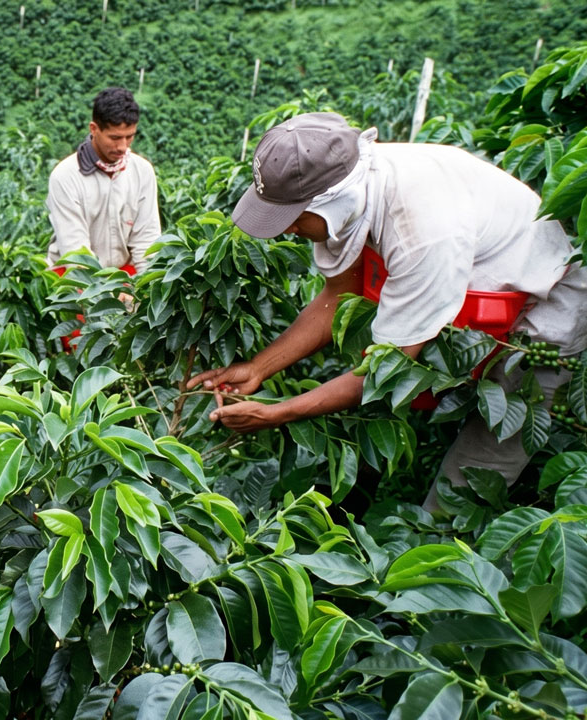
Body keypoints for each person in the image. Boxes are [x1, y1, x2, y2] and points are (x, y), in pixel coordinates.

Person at [189, 111, 587, 506]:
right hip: (472, 303)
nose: (288, 230)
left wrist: (280, 413)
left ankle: (436, 552)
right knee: (414, 409)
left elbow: (386, 371)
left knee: (479, 462)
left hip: (542, 314)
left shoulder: (422, 230)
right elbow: (336, 299)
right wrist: (258, 368)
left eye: (292, 219)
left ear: (331, 202)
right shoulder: (348, 189)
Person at [46, 87, 163, 271]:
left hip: (123, 273)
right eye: (115, 138)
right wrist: (107, 293)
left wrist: (145, 289)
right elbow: (76, 254)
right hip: (74, 274)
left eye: (129, 136)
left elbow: (147, 241)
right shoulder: (65, 176)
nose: (123, 146)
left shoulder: (142, 171)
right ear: (94, 129)